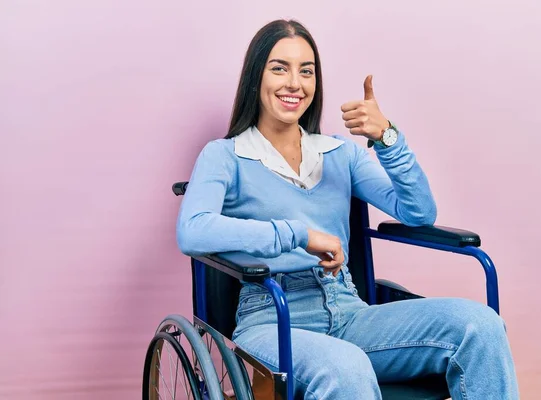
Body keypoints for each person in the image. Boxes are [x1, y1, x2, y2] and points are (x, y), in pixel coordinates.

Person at [177, 19, 519, 400]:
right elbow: (192, 231)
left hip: (349, 309)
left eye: (306, 71)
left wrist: (388, 137)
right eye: (280, 68)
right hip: (273, 318)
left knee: (481, 327)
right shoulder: (226, 155)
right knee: (346, 367)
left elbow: (419, 213)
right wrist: (299, 235)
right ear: (256, 79)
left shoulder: (340, 153)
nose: (295, 83)